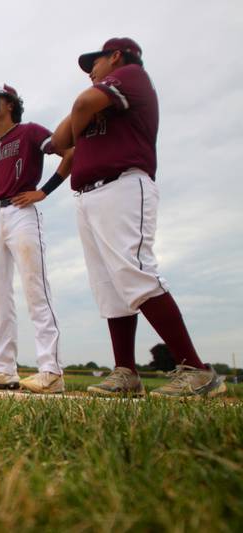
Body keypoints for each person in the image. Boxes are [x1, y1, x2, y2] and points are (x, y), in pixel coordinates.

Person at [50, 37, 226, 398]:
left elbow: (82, 106)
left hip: (124, 184)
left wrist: (85, 107)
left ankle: (197, 369)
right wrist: (84, 112)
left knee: (134, 272)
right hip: (89, 194)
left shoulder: (132, 75)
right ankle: (126, 372)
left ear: (115, 56)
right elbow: (58, 140)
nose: (90, 72)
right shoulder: (104, 92)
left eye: (95, 63)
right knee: (109, 287)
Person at [0, 84, 74, 394]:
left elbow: (69, 151)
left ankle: (51, 370)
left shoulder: (29, 132)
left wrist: (45, 190)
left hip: (22, 213)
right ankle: (4, 369)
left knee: (35, 289)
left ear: (11, 104)